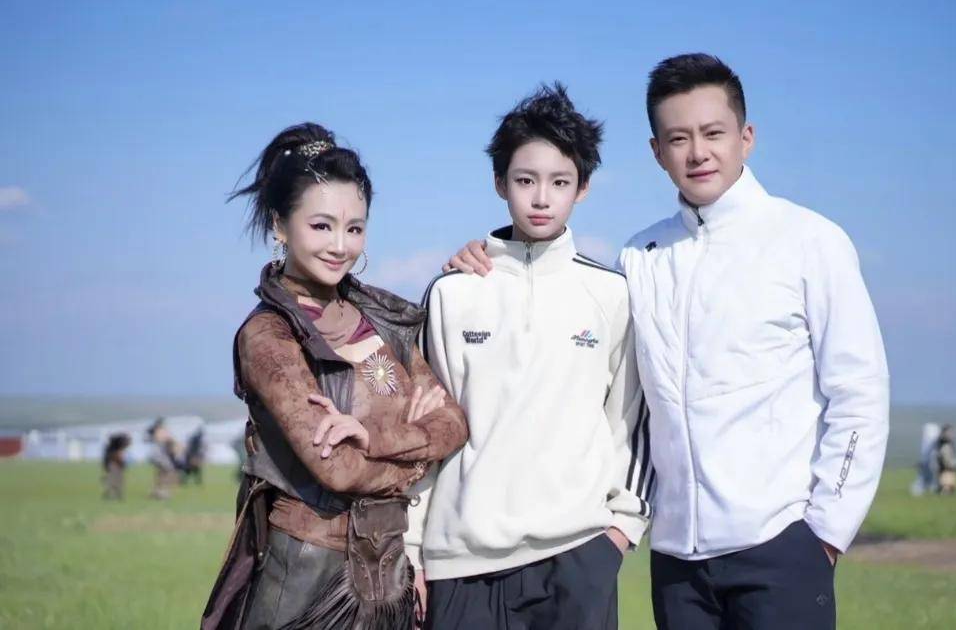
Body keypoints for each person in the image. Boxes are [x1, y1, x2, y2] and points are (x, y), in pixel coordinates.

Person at [449, 54, 890, 629]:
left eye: (714, 133)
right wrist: (492, 261)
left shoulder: (809, 242)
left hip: (782, 547)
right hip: (677, 563)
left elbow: (858, 392)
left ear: (746, 137)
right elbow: (591, 362)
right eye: (678, 138)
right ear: (657, 152)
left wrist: (825, 534)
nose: (698, 152)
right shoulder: (640, 257)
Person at [201, 123, 468, 630]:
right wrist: (416, 454)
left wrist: (371, 437)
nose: (340, 246)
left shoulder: (382, 320)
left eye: (355, 228)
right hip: (305, 579)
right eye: (321, 226)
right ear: (281, 226)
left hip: (389, 579)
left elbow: (454, 422)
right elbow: (338, 469)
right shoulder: (269, 336)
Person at [410, 84, 652, 630]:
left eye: (560, 182)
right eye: (525, 180)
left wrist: (620, 530)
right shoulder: (452, 293)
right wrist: (411, 547)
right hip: (461, 563)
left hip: (578, 555)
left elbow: (630, 421)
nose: (541, 198)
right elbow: (424, 434)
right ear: (500, 182)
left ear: (583, 188)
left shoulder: (611, 294)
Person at [147, 418, 179, 500]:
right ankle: (163, 492)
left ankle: (156, 491)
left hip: (156, 455)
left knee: (161, 472)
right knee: (168, 471)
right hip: (159, 455)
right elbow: (168, 440)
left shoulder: (154, 431)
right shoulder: (160, 431)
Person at [101, 432, 131, 501]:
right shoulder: (118, 446)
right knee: (115, 477)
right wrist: (122, 464)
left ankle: (113, 492)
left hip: (112, 462)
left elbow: (119, 456)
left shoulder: (114, 445)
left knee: (115, 477)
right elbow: (118, 456)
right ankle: (113, 493)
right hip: (112, 462)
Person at [936, 424, 956, 494]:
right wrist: (949, 463)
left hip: (947, 464)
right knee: (947, 479)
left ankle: (946, 490)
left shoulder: (946, 442)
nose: (951, 434)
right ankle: (944, 491)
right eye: (949, 432)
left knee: (950, 480)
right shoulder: (944, 443)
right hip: (945, 465)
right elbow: (944, 455)